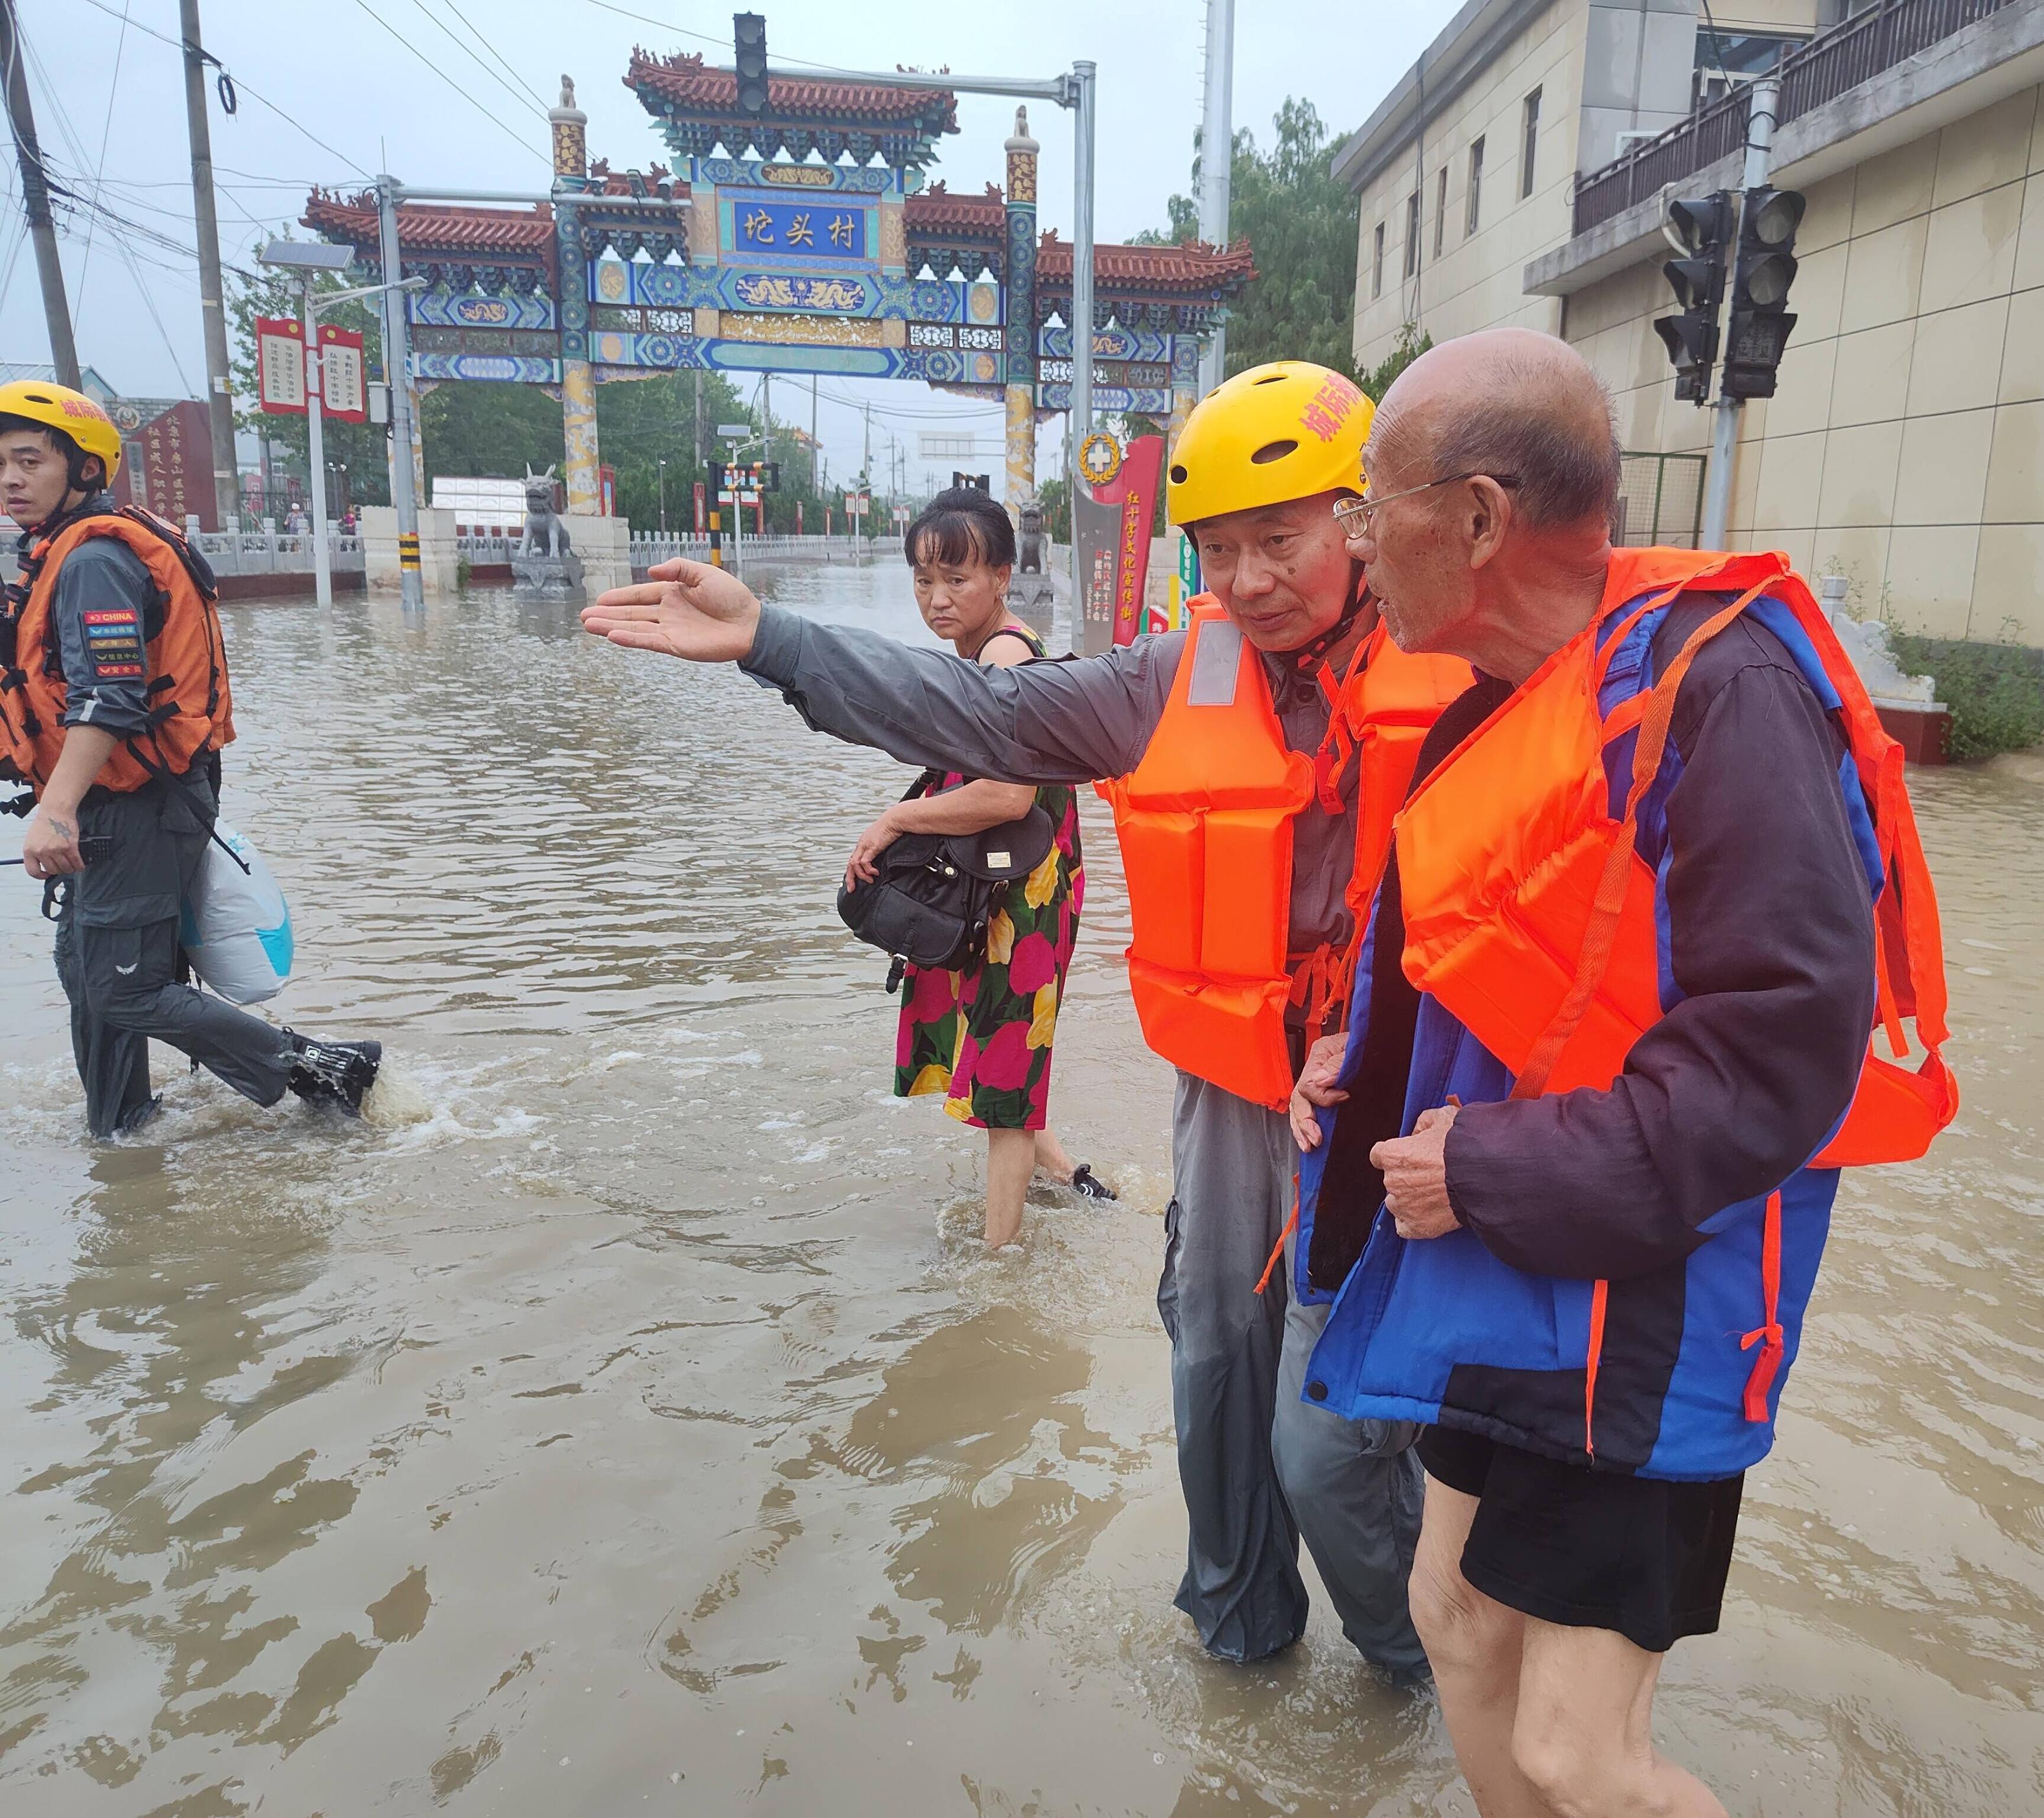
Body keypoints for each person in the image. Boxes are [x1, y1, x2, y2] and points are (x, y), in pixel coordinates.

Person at [582, 361, 1472, 1683]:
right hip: (1236, 1092)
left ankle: (1417, 1672)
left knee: (1328, 1442)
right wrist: (776, 640)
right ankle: (1242, 1649)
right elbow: (984, 712)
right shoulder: (1177, 674)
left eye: (1277, 540)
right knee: (1212, 1374)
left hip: (1389, 1101)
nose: (1247, 580)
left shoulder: (1470, 672)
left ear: (1360, 520)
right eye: (1218, 551)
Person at [1286, 328, 1954, 1816]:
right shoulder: (1511, 693)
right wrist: (1358, 1071)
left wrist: (1483, 1167)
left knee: (1579, 1749)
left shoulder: (1725, 694)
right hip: (1508, 1253)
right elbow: (1507, 979)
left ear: (1471, 519)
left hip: (1653, 1283)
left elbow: (1775, 1049)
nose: (1351, 546)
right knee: (1456, 1623)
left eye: (1363, 506)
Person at [0, 379, 382, 1137]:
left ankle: (328, 1069)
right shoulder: (57, 555)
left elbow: (109, 697)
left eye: (28, 460)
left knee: (125, 988)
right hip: (116, 798)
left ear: (83, 470)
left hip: (135, 801)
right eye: (2, 464)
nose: (10, 478)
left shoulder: (94, 561)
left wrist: (58, 808)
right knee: (89, 974)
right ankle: (119, 1130)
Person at [847, 486, 1113, 1247]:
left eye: (956, 579)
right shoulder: (989, 649)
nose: (937, 598)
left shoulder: (1002, 656)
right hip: (1015, 882)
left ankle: (999, 1264)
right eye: (924, 580)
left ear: (1002, 574)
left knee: (1004, 1081)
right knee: (1002, 1044)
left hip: (1022, 897)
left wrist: (896, 818)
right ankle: (1068, 1176)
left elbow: (1005, 792)